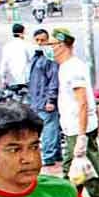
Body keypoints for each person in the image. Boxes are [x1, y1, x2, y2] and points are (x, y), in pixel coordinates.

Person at [49, 27, 99, 197]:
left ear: (61, 45)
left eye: (52, 45)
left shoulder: (73, 68)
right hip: (74, 128)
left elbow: (82, 101)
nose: (50, 49)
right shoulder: (66, 67)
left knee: (87, 175)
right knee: (77, 174)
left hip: (79, 129)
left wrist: (82, 137)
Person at [27, 29, 61, 166]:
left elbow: (53, 80)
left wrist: (51, 100)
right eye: (37, 40)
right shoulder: (36, 56)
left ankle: (49, 156)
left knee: (49, 128)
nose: (40, 43)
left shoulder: (50, 58)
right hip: (37, 100)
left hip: (46, 101)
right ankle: (55, 154)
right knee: (51, 127)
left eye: (43, 40)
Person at [0, 23, 33, 88]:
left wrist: (3, 79)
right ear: (23, 32)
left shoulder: (7, 46)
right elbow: (32, 59)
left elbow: (4, 64)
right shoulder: (26, 45)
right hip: (27, 78)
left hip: (13, 78)